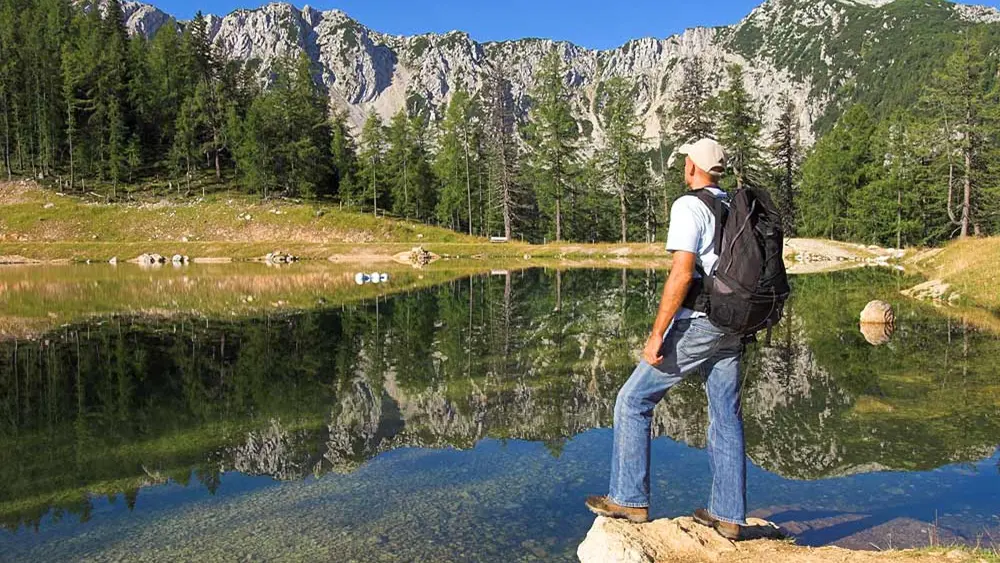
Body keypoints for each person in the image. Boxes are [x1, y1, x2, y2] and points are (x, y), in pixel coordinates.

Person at [585, 138, 748, 541]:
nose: (683, 167)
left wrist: (658, 333)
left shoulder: (689, 205)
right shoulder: (734, 207)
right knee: (725, 414)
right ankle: (728, 516)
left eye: (685, 161)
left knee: (633, 400)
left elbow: (681, 273)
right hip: (736, 323)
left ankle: (629, 499)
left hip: (701, 323)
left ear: (693, 166)